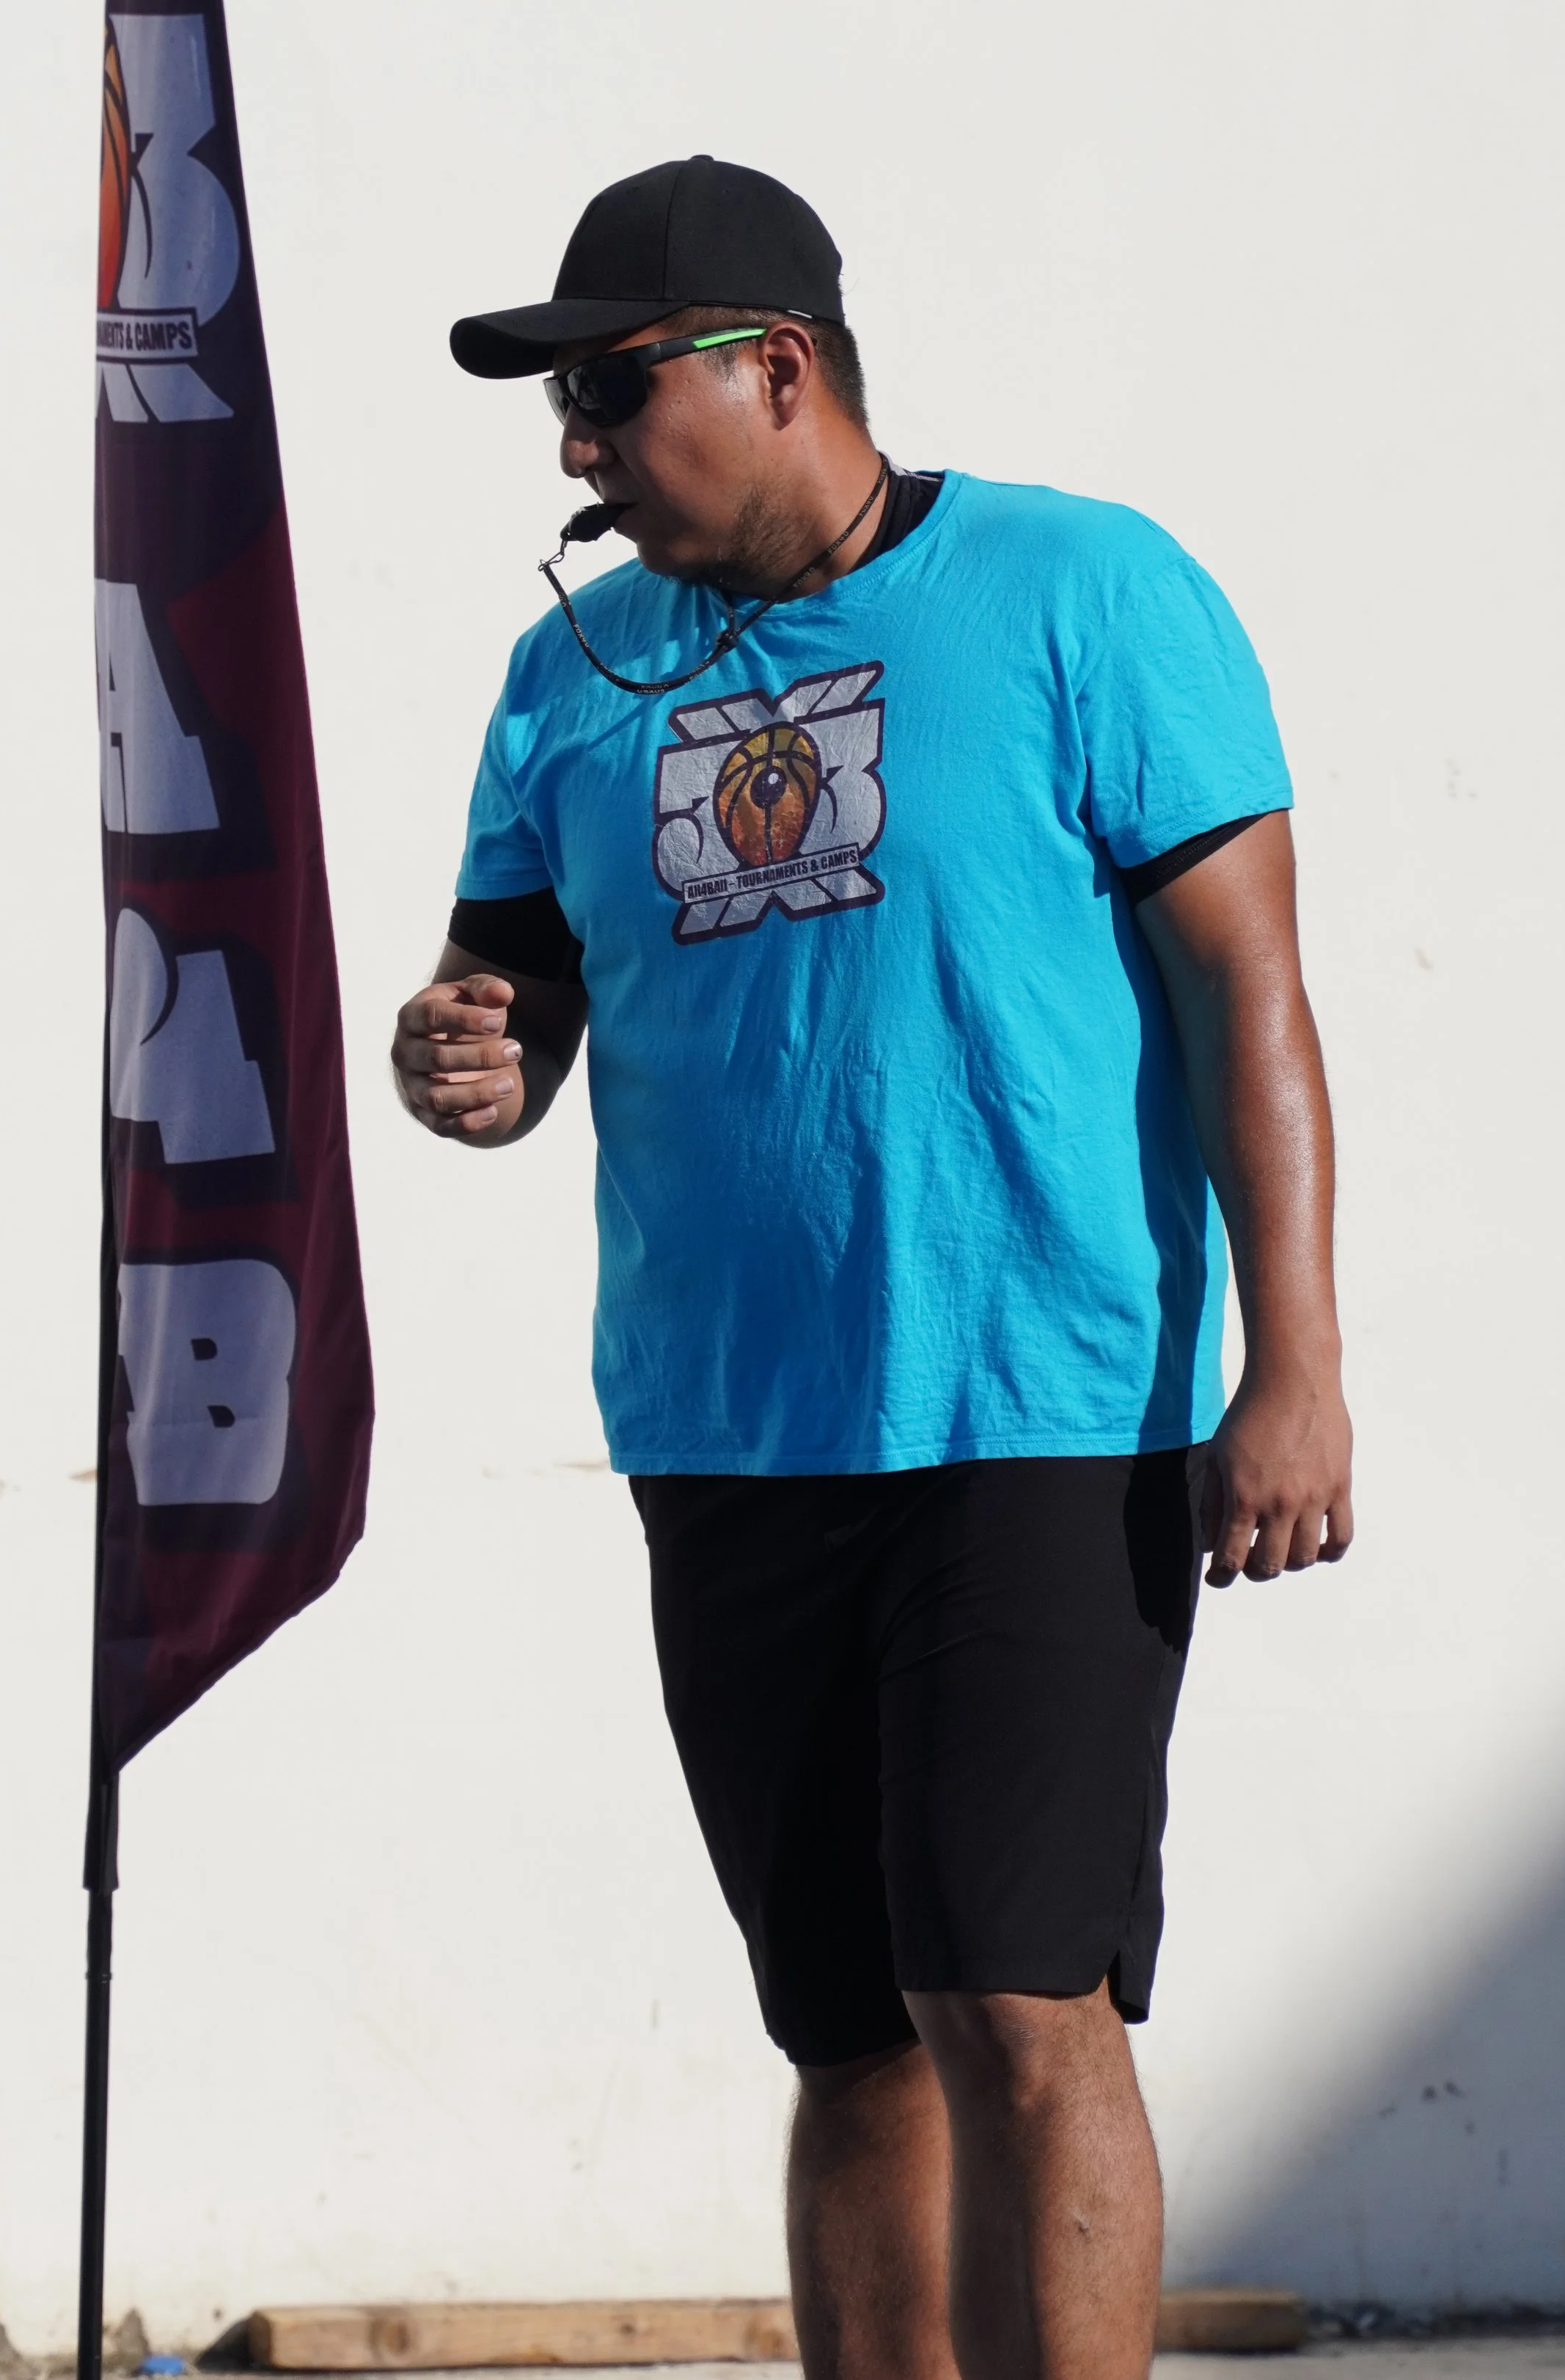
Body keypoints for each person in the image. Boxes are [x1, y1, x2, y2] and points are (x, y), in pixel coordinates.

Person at [392, 155, 1352, 2380]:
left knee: (1015, 1995)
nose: (576, 449)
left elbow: (1251, 995)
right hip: (730, 1428)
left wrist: (1292, 1365)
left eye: (611, 391)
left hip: (1035, 1408)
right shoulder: (568, 676)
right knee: (846, 2032)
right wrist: (462, 1058)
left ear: (778, 367)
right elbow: (508, 1007)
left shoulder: (1081, 590)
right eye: (559, 407)